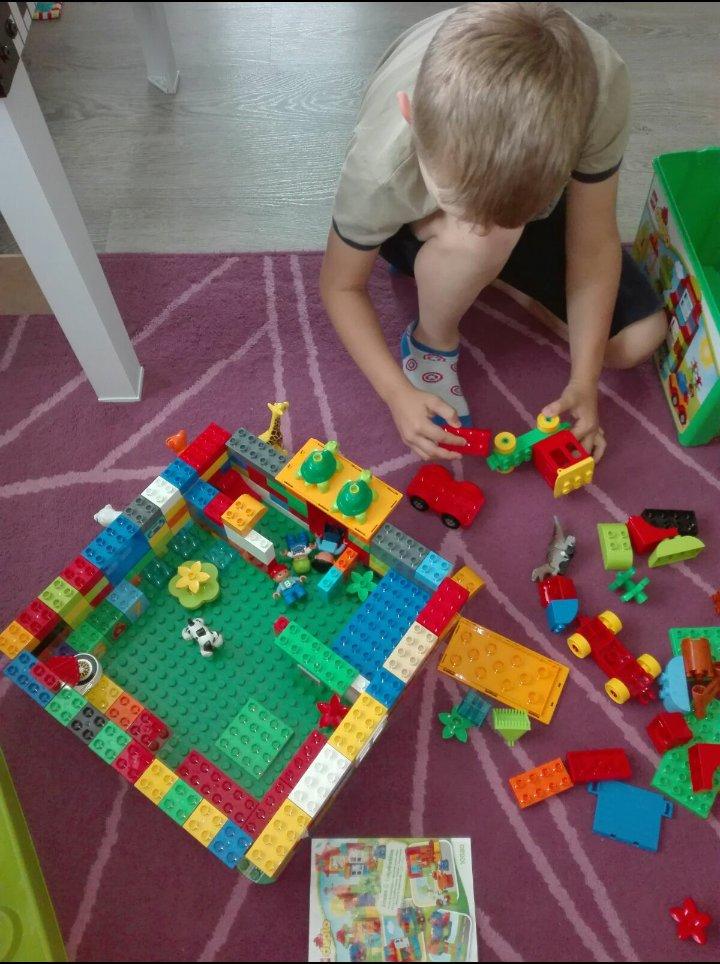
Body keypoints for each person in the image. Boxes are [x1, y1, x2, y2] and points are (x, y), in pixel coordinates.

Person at [320, 2, 666, 463]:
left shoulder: (599, 90)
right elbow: (341, 285)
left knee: (638, 339)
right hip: (414, 227)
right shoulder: (380, 167)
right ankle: (431, 341)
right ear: (409, 113)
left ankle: (486, 267)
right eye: (457, 204)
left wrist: (584, 381)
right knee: (481, 237)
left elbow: (593, 240)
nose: (481, 223)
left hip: (520, 191)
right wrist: (396, 392)